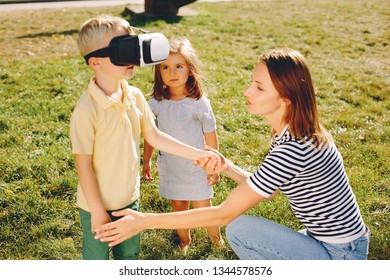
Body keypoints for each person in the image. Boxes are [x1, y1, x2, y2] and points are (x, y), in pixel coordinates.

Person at [94, 48, 370, 260]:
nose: (247, 91)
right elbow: (270, 190)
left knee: (240, 229)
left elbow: (224, 214)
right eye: (252, 82)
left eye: (259, 88)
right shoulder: (292, 131)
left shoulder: (293, 147)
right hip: (328, 241)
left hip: (341, 255)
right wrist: (227, 167)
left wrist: (146, 222)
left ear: (286, 97)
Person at [70, 15, 219, 260]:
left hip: (129, 200)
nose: (132, 57)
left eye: (132, 45)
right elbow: (83, 165)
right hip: (94, 205)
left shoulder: (135, 96)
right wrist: (97, 211)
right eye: (122, 50)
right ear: (95, 62)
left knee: (129, 257)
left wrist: (199, 154)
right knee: (95, 260)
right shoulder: (87, 110)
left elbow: (155, 136)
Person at [142, 38, 223, 253]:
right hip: (172, 166)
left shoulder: (198, 103)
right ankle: (184, 241)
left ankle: (216, 240)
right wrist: (146, 160)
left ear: (190, 69)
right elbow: (150, 135)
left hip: (197, 166)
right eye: (165, 68)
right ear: (158, 73)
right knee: (179, 206)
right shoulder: (156, 104)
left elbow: (210, 134)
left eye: (179, 66)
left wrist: (213, 163)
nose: (172, 73)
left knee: (203, 207)